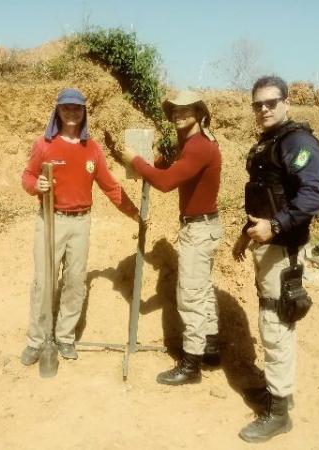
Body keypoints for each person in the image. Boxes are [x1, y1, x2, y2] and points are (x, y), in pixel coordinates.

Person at [232, 76, 319, 443]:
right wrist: (247, 233)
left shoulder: (298, 142)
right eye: (258, 104)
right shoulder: (269, 143)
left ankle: (280, 413)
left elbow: (314, 196)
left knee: (277, 322)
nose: (264, 109)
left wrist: (275, 227)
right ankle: (276, 392)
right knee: (270, 316)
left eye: (271, 102)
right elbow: (265, 195)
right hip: (267, 245)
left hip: (283, 248)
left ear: (286, 102)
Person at [20, 88, 140, 365]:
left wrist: (133, 213)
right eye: (66, 108)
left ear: (84, 112)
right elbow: (27, 175)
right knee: (45, 282)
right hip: (50, 219)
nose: (71, 113)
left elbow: (110, 186)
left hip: (81, 222)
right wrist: (34, 185)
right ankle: (36, 341)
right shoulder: (44, 145)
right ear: (58, 111)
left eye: (77, 108)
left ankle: (64, 337)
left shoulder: (93, 149)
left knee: (75, 282)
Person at [119, 91, 222, 385]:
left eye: (186, 110)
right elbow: (172, 167)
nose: (179, 115)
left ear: (199, 112)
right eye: (175, 111)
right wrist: (153, 161)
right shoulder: (192, 143)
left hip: (199, 230)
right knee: (202, 290)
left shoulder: (199, 146)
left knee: (190, 296)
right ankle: (210, 348)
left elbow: (164, 183)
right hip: (205, 226)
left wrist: (136, 161)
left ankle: (191, 365)